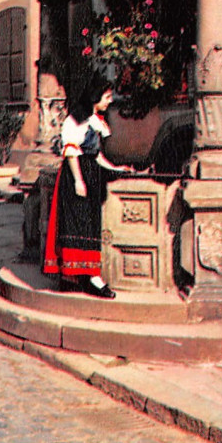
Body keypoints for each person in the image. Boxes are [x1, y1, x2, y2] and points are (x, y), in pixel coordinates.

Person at [43, 76, 132, 298]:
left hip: (91, 173)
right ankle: (86, 277)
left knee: (89, 225)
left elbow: (96, 155)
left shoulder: (94, 120)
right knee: (78, 224)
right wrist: (78, 181)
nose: (109, 101)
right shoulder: (76, 119)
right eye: (107, 96)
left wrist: (117, 169)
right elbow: (72, 151)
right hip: (77, 175)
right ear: (96, 96)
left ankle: (82, 276)